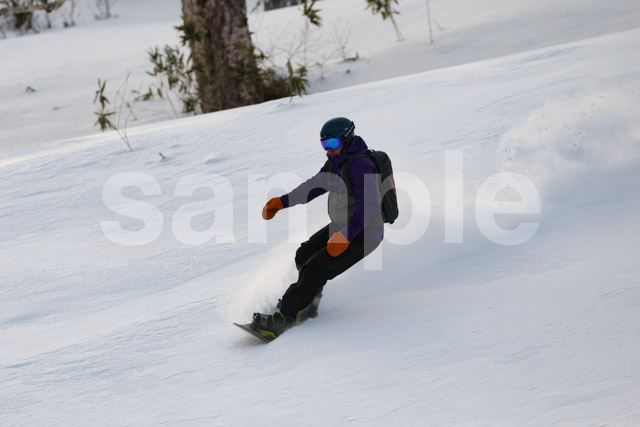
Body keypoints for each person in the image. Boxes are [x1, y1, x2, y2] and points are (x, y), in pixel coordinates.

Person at [251, 117, 384, 338]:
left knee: (316, 268)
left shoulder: (361, 166)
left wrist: (346, 236)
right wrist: (282, 202)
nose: (328, 149)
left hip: (365, 233)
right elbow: (314, 186)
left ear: (346, 139)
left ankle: (283, 319)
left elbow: (370, 207)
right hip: (344, 226)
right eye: (324, 144)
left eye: (332, 143)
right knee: (304, 255)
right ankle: (307, 304)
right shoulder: (336, 162)